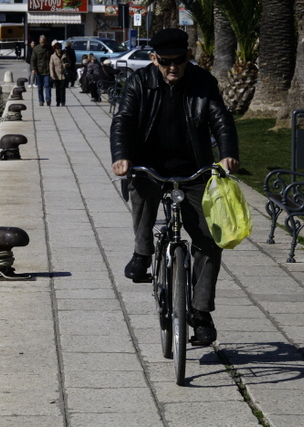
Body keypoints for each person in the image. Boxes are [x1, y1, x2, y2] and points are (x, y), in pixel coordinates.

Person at [109, 28, 239, 346]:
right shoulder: (140, 82)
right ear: (154, 59)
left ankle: (201, 312)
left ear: (188, 57)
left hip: (193, 170)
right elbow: (123, 120)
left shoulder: (202, 82)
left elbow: (220, 119)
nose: (172, 68)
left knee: (209, 239)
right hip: (149, 166)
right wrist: (122, 156)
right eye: (165, 61)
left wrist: (228, 154)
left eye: (178, 61)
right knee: (141, 194)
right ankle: (142, 252)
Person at [30, 35, 53, 106]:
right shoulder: (36, 49)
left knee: (47, 85)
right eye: (41, 42)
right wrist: (33, 69)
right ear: (39, 41)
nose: (43, 43)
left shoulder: (49, 48)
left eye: (44, 42)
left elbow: (52, 58)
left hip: (47, 70)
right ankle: (41, 100)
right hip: (39, 70)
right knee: (40, 87)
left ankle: (48, 99)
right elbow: (33, 60)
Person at [49, 40, 70, 107]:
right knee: (57, 89)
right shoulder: (53, 56)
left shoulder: (65, 55)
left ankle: (63, 102)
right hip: (56, 75)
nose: (59, 50)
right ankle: (58, 101)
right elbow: (51, 66)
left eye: (60, 48)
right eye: (58, 49)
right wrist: (52, 75)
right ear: (55, 49)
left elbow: (70, 63)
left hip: (63, 75)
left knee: (63, 88)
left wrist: (66, 64)